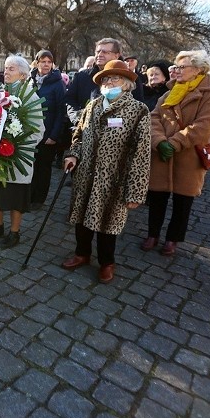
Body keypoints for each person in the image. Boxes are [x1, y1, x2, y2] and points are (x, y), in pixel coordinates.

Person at [61, 60, 150, 283]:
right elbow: (79, 135)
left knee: (107, 223)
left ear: (128, 83)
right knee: (81, 218)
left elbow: (141, 153)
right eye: (106, 79)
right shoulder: (93, 105)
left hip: (114, 179)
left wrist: (136, 191)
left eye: (115, 78)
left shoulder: (138, 110)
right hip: (85, 174)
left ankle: (106, 263)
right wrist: (73, 154)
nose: (110, 82)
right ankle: (82, 254)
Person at [141, 50, 210, 257]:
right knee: (157, 197)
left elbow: (204, 126)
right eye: (175, 67)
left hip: (189, 157)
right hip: (162, 154)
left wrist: (174, 143)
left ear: (198, 70)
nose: (176, 71)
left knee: (182, 201)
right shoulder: (169, 93)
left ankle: (172, 239)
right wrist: (159, 142)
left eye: (181, 67)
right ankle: (153, 234)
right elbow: (154, 118)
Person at [0, 55, 44, 247]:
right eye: (6, 68)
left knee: (15, 196)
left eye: (11, 69)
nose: (6, 72)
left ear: (23, 75)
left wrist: (16, 143)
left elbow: (38, 129)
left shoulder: (29, 95)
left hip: (17, 155)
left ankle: (14, 232)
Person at [29, 49, 66, 210]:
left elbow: (60, 111)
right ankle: (29, 195)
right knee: (31, 165)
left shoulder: (58, 83)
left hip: (48, 132)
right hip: (31, 131)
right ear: (36, 62)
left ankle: (39, 198)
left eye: (49, 62)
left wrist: (54, 135)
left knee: (43, 168)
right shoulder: (31, 80)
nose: (46, 64)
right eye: (43, 61)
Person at [64, 38, 121, 125]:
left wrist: (109, 124)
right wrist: (77, 119)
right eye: (98, 52)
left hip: (117, 134)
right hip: (85, 132)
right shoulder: (82, 77)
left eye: (105, 52)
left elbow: (133, 111)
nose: (100, 55)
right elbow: (70, 100)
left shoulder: (127, 79)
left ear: (116, 56)